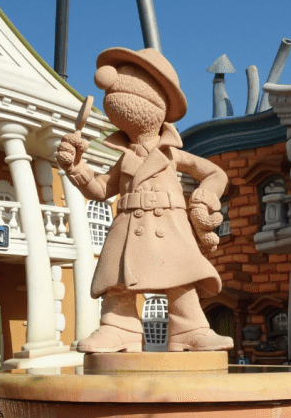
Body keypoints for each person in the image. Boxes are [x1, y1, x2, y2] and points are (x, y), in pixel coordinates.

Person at [56, 47, 234, 353]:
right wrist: (76, 167)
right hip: (128, 224)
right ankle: (118, 328)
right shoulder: (124, 158)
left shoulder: (172, 153)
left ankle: (189, 329)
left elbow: (215, 173)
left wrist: (202, 200)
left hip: (169, 221)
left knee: (180, 277)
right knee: (118, 281)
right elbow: (100, 190)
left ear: (161, 103)